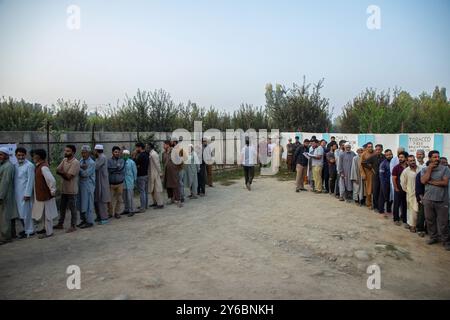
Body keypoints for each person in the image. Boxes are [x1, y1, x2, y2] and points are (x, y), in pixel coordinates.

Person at [420, 150, 450, 250]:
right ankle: (433, 237)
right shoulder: (424, 170)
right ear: (429, 158)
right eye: (434, 157)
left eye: (438, 157)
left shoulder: (445, 169)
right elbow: (423, 181)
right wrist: (429, 169)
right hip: (428, 199)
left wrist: (431, 181)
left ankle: (446, 241)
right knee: (430, 220)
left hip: (442, 200)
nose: (437, 159)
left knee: (443, 222)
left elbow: (444, 183)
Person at [31, 149, 58, 239]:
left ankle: (49, 232)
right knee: (43, 213)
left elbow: (51, 180)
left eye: (35, 155)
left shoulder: (43, 167)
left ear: (39, 156)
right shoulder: (38, 166)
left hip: (46, 195)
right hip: (41, 195)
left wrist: (52, 191)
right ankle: (45, 228)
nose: (33, 157)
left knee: (48, 214)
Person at [55, 145, 81, 233]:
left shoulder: (75, 162)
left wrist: (62, 173)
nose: (66, 152)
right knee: (62, 208)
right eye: (65, 151)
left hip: (72, 190)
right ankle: (60, 224)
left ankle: (73, 225)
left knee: (72, 208)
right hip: (64, 189)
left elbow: (69, 177)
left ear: (73, 152)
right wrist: (64, 173)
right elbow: (57, 170)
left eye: (68, 151)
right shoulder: (64, 160)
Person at [14, 147, 35, 238]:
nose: (21, 157)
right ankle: (25, 229)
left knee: (27, 213)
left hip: (25, 194)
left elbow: (31, 180)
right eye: (19, 155)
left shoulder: (29, 165)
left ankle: (30, 231)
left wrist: (27, 194)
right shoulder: (15, 165)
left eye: (22, 155)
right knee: (21, 213)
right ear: (15, 155)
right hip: (17, 193)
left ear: (25, 155)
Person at [0, 147, 19, 245]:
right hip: (4, 194)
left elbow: (5, 182)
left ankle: (5, 238)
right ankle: (11, 234)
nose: (0, 156)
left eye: (1, 154)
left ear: (7, 155)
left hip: (6, 195)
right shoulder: (3, 165)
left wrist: (1, 196)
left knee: (5, 217)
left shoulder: (8, 166)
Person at [77, 145, 96, 229]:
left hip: (88, 185)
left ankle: (89, 221)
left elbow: (85, 174)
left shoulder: (91, 163)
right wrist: (80, 168)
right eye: (82, 152)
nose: (83, 154)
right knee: (81, 203)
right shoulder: (81, 160)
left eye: (85, 152)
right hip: (81, 185)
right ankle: (83, 220)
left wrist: (79, 168)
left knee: (88, 203)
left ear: (88, 153)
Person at [400, 155, 420, 233]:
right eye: (410, 161)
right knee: (413, 210)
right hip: (411, 194)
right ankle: (412, 226)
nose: (412, 162)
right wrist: (409, 191)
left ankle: (414, 224)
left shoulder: (420, 169)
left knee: (418, 210)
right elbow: (403, 184)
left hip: (420, 194)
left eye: (413, 160)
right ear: (407, 162)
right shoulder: (406, 171)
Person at [363, 144, 385, 212]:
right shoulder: (373, 157)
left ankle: (381, 206)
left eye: (379, 149)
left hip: (383, 177)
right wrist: (371, 168)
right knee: (375, 192)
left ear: (382, 150)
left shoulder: (384, 157)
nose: (378, 151)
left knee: (381, 192)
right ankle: (375, 206)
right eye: (377, 149)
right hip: (375, 176)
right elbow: (364, 163)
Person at [93, 145, 111, 224]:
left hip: (102, 182)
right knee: (97, 200)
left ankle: (104, 218)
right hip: (98, 182)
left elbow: (95, 167)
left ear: (96, 150)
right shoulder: (98, 157)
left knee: (102, 200)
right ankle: (99, 216)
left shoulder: (102, 157)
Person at [163, 140, 182, 207]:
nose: (163, 146)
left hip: (174, 172)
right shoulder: (164, 153)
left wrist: (177, 169)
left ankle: (178, 200)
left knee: (175, 185)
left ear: (168, 145)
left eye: (164, 145)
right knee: (168, 185)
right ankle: (171, 198)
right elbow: (163, 162)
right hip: (167, 172)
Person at [108, 146, 125, 219]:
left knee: (119, 199)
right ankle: (110, 213)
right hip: (111, 184)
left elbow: (121, 169)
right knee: (110, 200)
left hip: (120, 183)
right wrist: (116, 168)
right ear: (112, 152)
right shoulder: (109, 160)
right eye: (115, 152)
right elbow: (109, 169)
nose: (117, 153)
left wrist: (114, 169)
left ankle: (117, 213)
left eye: (118, 152)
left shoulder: (122, 160)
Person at [392, 151, 409, 227]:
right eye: (399, 157)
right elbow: (394, 179)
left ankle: (404, 219)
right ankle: (396, 219)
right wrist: (396, 188)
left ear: (406, 158)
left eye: (402, 157)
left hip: (407, 190)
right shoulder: (396, 167)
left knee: (405, 205)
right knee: (397, 204)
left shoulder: (409, 167)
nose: (400, 159)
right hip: (398, 189)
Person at [134, 142, 149, 213]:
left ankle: (142, 207)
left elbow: (135, 163)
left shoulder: (140, 155)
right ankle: (145, 205)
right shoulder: (146, 154)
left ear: (140, 147)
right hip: (146, 174)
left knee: (142, 191)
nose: (136, 149)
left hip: (141, 175)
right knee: (145, 191)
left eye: (137, 147)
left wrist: (134, 156)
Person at [148, 143, 164, 209]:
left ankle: (160, 204)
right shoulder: (151, 154)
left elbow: (157, 164)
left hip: (155, 174)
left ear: (150, 147)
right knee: (153, 189)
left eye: (147, 146)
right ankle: (155, 202)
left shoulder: (153, 154)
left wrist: (160, 173)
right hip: (152, 174)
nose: (146, 148)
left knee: (157, 189)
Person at [360, 142, 375, 209]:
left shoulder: (375, 153)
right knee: (368, 189)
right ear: (366, 148)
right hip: (367, 174)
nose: (370, 148)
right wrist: (363, 173)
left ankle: (374, 203)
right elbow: (361, 165)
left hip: (375, 174)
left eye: (371, 146)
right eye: (369, 147)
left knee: (374, 189)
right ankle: (368, 203)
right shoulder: (363, 154)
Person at [122, 150, 137, 217]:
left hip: (130, 181)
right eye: (123, 154)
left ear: (128, 155)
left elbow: (135, 172)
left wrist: (134, 180)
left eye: (125, 154)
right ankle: (126, 209)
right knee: (124, 196)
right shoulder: (121, 162)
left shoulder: (131, 162)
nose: (124, 155)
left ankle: (132, 210)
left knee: (130, 197)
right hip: (123, 181)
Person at [378, 149, 393, 216]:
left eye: (390, 154)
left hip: (392, 183)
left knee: (390, 197)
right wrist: (383, 185)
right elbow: (381, 176)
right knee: (383, 197)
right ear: (385, 155)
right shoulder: (383, 164)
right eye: (387, 155)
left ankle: (389, 209)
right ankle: (381, 210)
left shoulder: (395, 162)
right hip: (385, 183)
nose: (389, 156)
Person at [415, 167, 427, 237]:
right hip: (422, 197)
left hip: (430, 198)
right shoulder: (420, 174)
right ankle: (420, 229)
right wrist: (421, 198)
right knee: (422, 214)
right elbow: (418, 187)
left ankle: (427, 229)